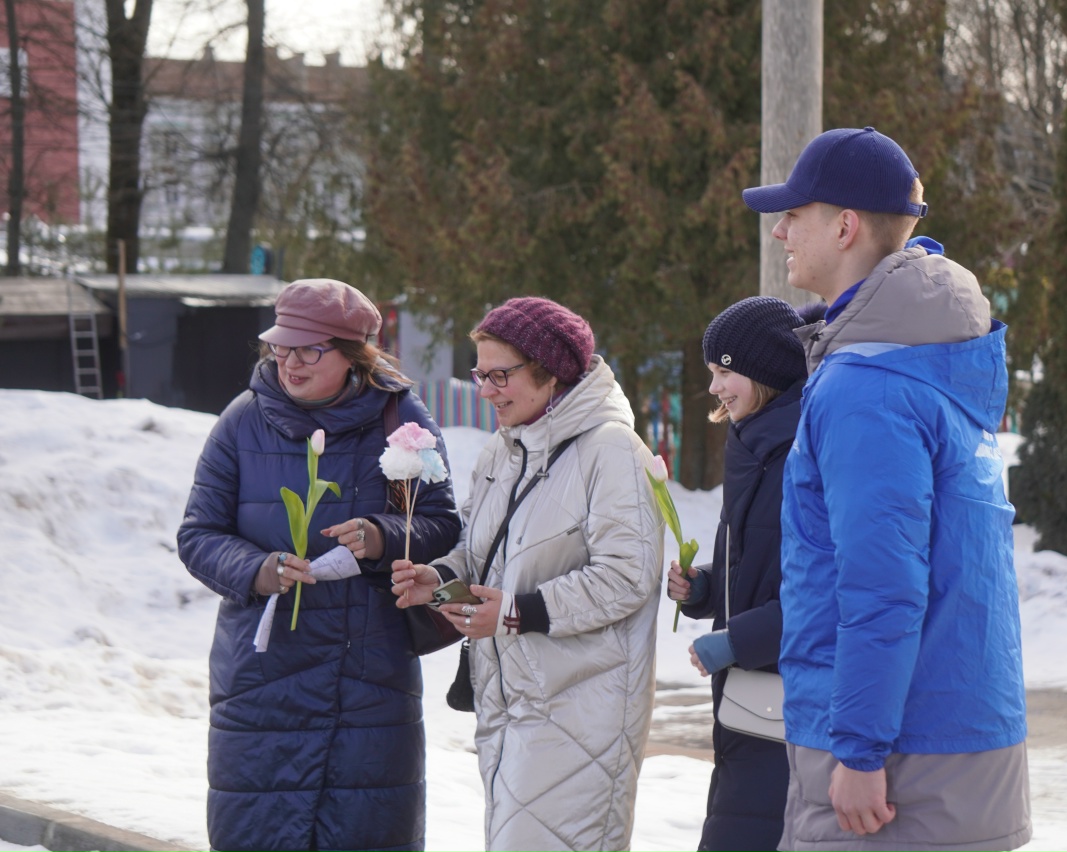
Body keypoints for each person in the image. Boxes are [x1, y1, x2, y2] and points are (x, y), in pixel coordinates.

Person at [741, 127, 1032, 851]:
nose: (780, 231)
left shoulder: (867, 388)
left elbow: (881, 584)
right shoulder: (926, 364)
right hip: (961, 744)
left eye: (795, 215)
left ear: (844, 226)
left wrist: (860, 752)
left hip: (898, 774)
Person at [177, 278, 461, 852]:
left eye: (310, 350)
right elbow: (198, 535)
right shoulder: (241, 421)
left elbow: (442, 524)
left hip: (368, 678)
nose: (291, 363)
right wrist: (257, 569)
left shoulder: (401, 420)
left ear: (354, 356)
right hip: (263, 681)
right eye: (282, 348)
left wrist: (382, 535)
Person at [390, 296, 663, 852]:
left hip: (582, 714)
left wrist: (518, 611)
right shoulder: (502, 450)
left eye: (499, 375)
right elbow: (483, 554)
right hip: (507, 705)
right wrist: (438, 578)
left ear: (551, 372)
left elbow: (628, 576)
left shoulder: (611, 451)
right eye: (479, 374)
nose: (485, 390)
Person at [666, 295, 810, 852]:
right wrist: (704, 587)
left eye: (725, 370)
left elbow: (828, 590)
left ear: (767, 371)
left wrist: (738, 641)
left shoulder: (799, 452)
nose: (714, 387)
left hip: (785, 696)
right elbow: (757, 564)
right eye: (711, 372)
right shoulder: (754, 442)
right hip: (750, 698)